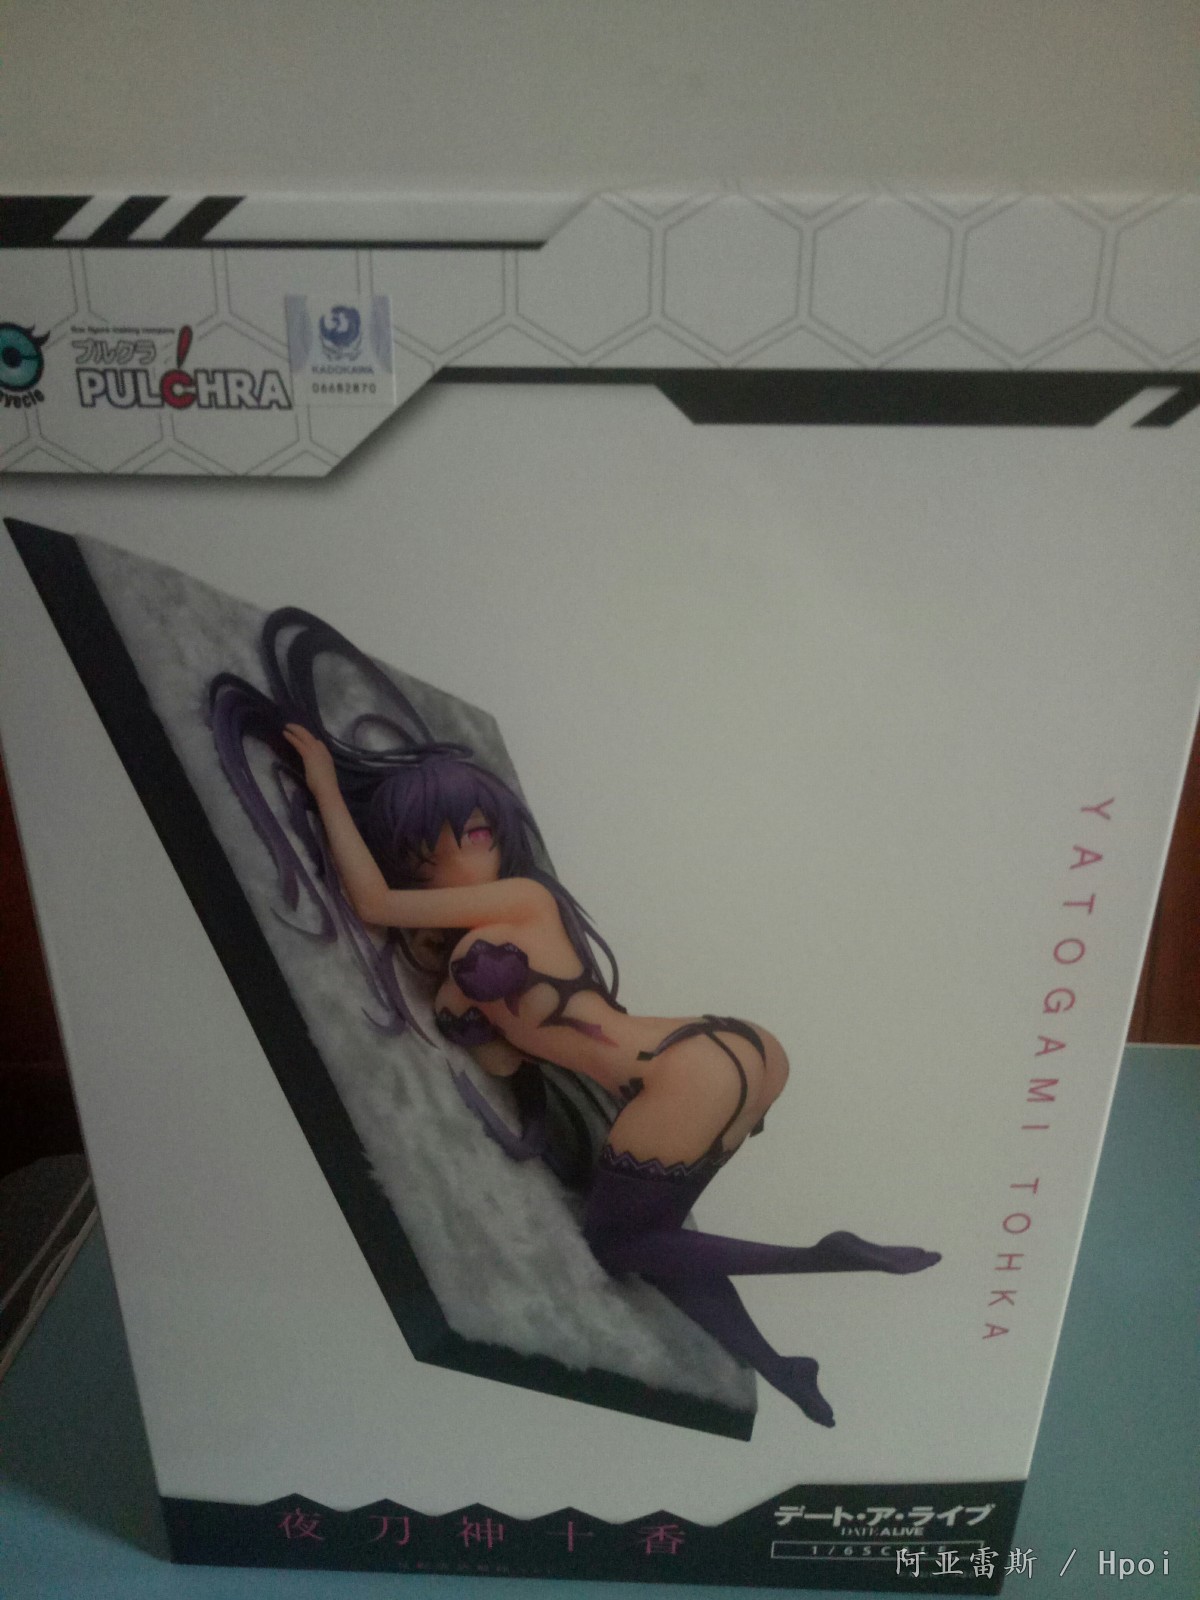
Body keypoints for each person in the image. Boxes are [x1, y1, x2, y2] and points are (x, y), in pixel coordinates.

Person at [212, 609, 939, 1428]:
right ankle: (779, 1363)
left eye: (466, 832)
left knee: (619, 1244)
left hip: (681, 1074)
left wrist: (322, 786)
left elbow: (374, 903)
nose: (459, 854)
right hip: (737, 1050)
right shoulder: (519, 919)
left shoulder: (520, 899)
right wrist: (472, 1018)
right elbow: (505, 1064)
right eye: (433, 848)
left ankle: (820, 1256)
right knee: (658, 1238)